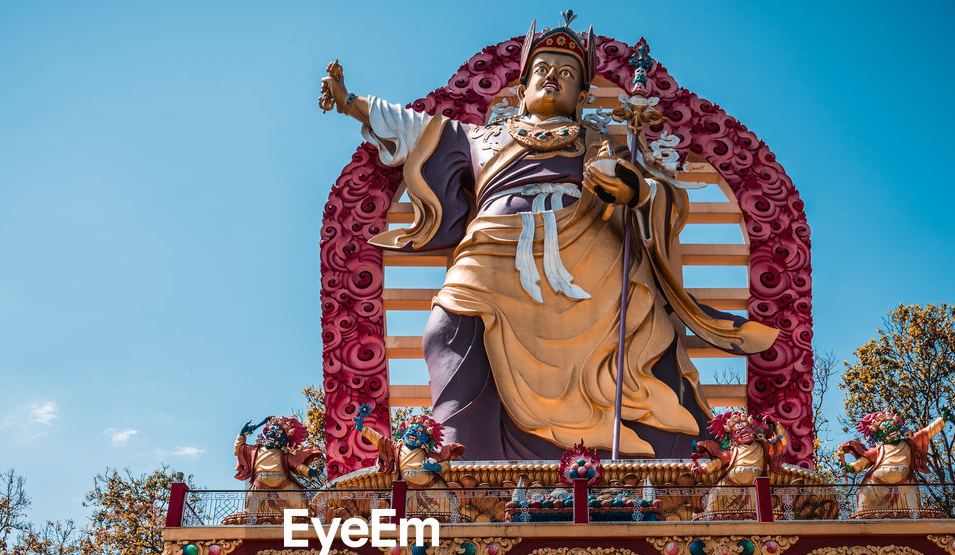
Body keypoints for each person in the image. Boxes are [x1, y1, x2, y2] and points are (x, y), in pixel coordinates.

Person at [321, 16, 776, 461]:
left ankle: (652, 451)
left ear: (581, 94)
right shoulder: (481, 137)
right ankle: (456, 448)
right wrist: (350, 102)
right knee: (446, 327)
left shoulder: (598, 142)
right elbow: (411, 126)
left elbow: (656, 192)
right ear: (522, 89)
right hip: (494, 246)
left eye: (567, 74)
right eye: (543, 70)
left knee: (642, 324)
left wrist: (633, 190)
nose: (553, 79)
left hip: (586, 248)